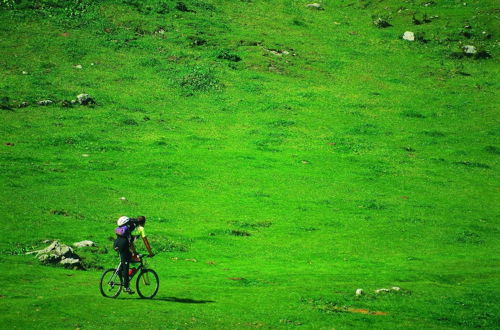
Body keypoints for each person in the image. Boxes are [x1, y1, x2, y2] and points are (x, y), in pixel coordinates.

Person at [113, 216, 137, 294]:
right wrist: (135, 252)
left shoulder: (120, 229)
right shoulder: (127, 230)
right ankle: (126, 287)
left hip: (116, 244)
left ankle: (121, 271)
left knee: (125, 259)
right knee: (126, 267)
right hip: (123, 245)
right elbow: (131, 243)